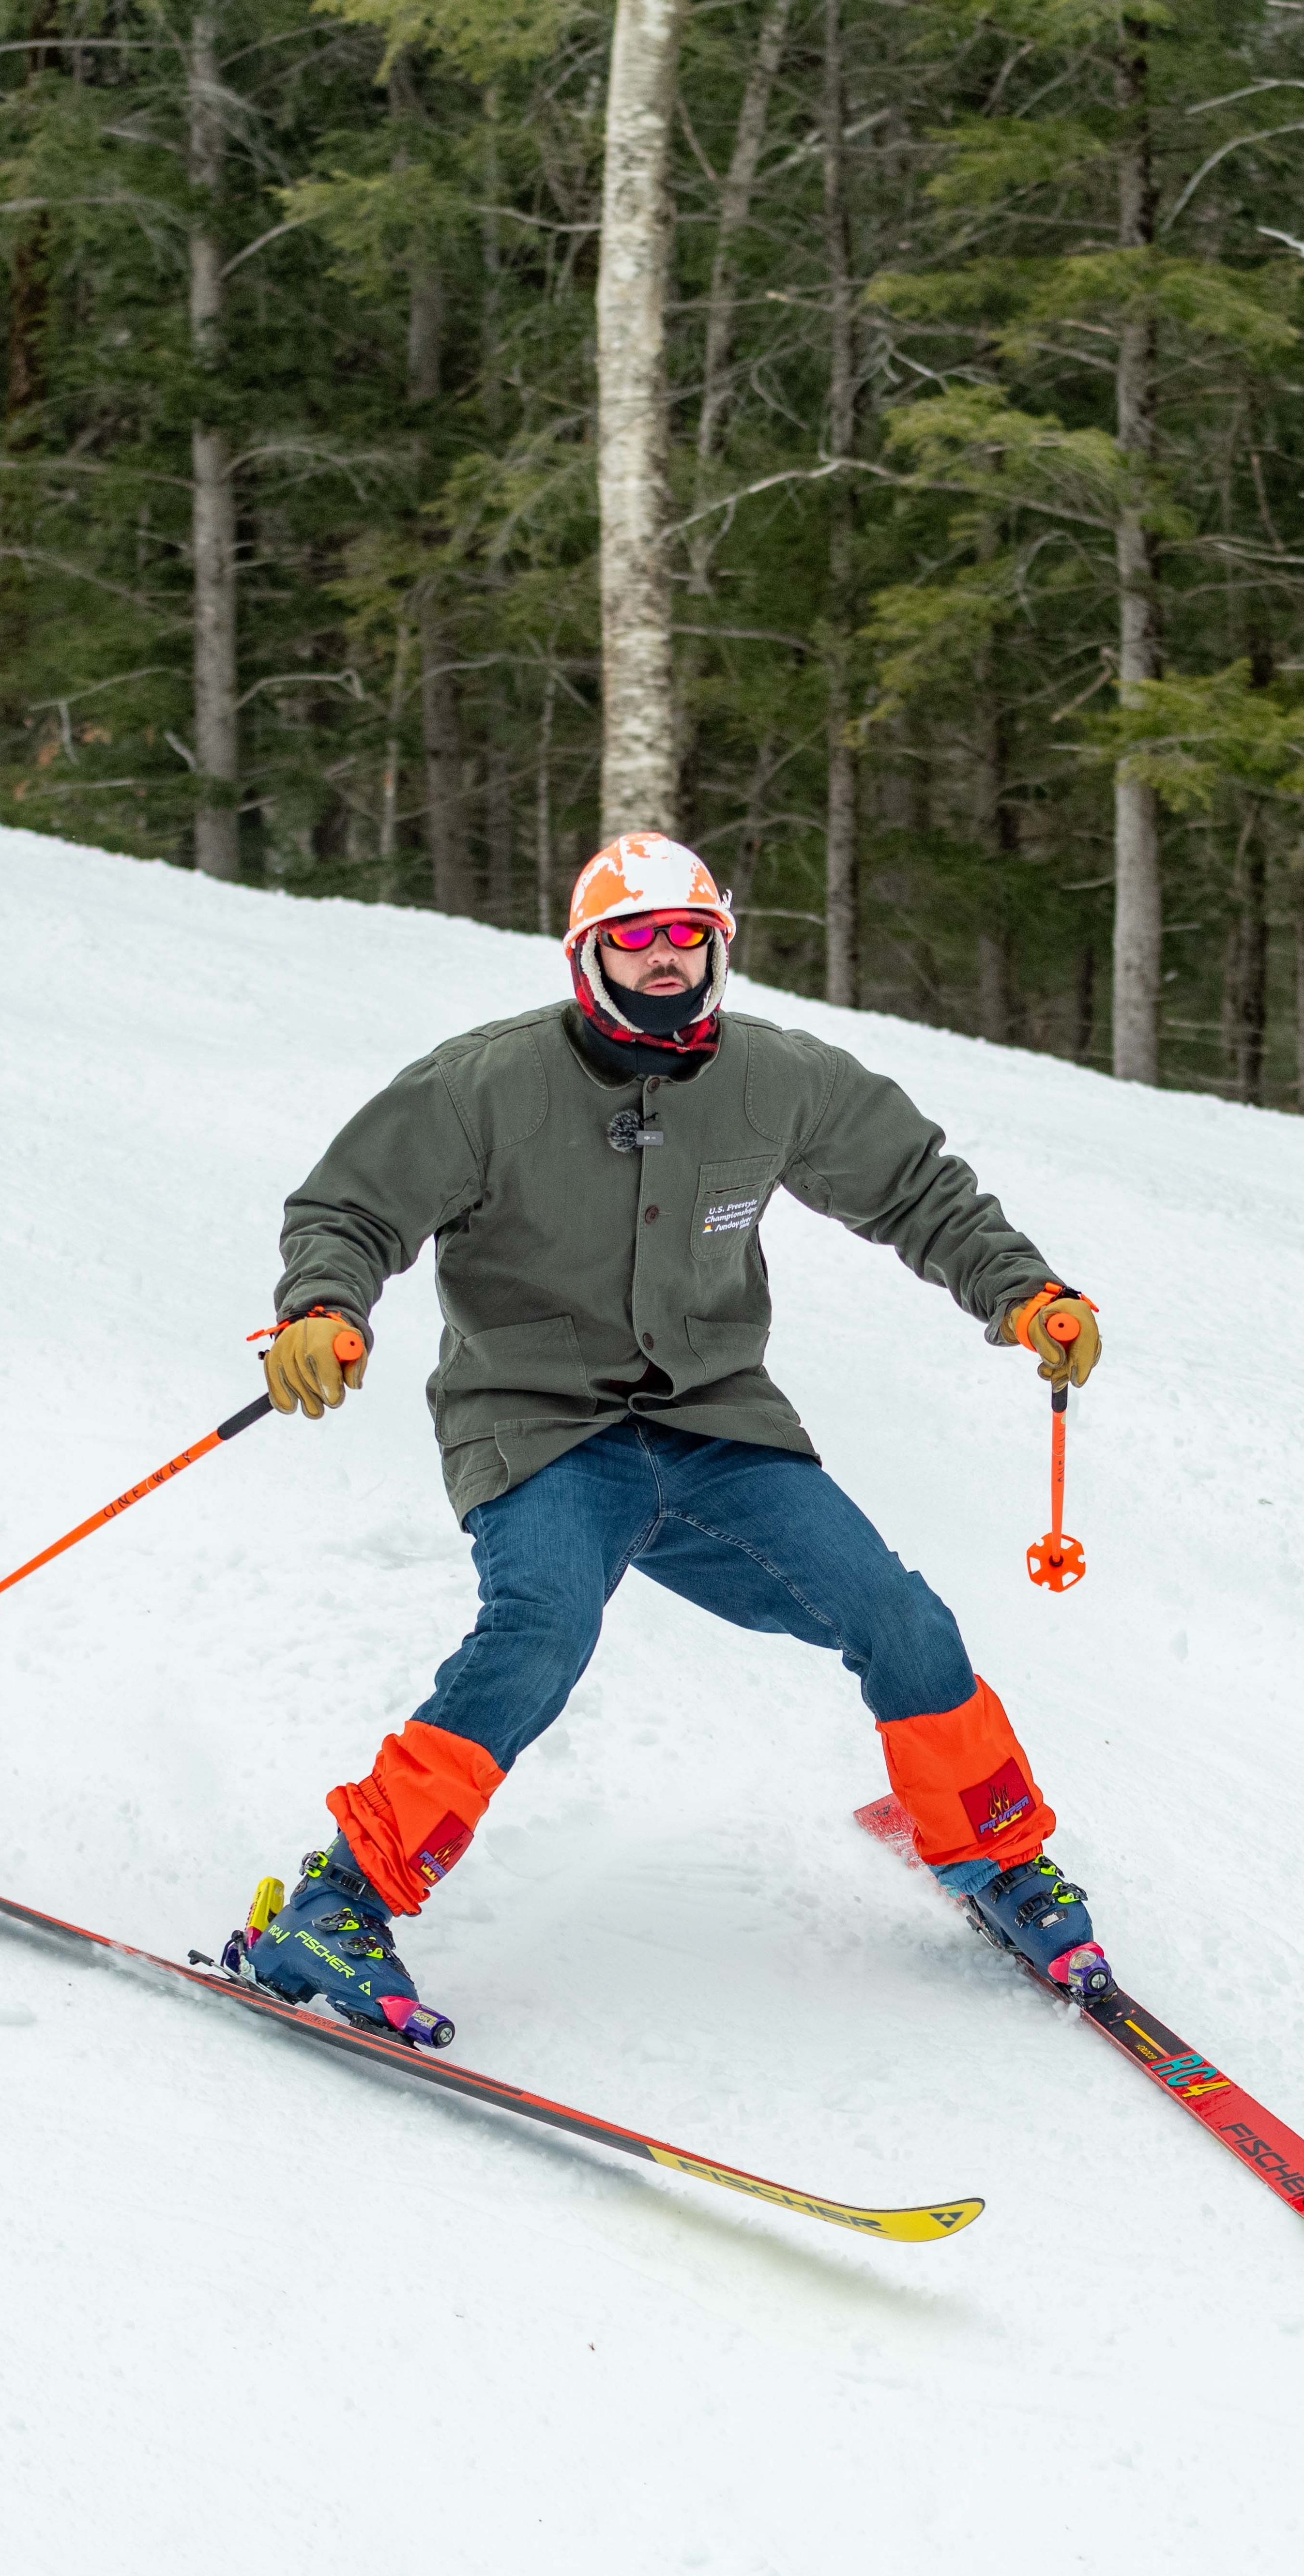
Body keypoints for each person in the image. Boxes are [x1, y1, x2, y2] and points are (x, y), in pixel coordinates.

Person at [223, 832, 1108, 2048]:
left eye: (685, 937)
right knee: (541, 1626)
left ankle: (995, 1858)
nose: (661, 959)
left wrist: (1024, 1292)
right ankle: (336, 1905)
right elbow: (350, 1207)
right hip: (538, 1426)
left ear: (718, 948)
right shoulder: (485, 1084)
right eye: (631, 939)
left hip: (714, 1423)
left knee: (899, 1617)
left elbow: (917, 1190)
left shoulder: (776, 1079)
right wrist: (322, 1310)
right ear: (586, 954)